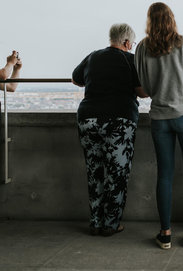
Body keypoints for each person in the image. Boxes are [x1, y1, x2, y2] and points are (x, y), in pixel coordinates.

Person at [135, 2, 183, 249]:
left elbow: (145, 86)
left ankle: (165, 233)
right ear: (171, 18)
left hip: (159, 117)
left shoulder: (142, 48)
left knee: (164, 175)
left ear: (149, 21)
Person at [72, 23, 147, 237]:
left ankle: (95, 222)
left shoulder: (93, 56)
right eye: (131, 43)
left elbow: (76, 79)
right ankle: (111, 224)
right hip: (119, 121)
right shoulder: (130, 59)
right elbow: (141, 92)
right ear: (126, 42)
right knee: (117, 173)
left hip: (88, 118)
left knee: (94, 171)